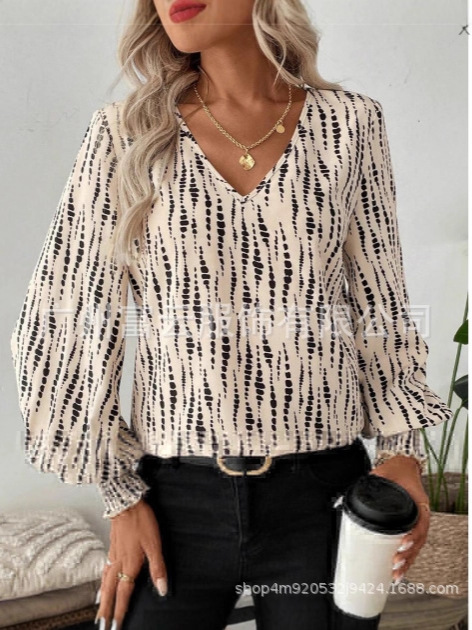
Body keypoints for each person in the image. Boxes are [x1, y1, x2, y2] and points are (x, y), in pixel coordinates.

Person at [10, 1, 453, 629]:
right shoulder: (125, 133)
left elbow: (380, 301)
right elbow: (68, 316)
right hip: (174, 502)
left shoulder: (350, 125)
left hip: (323, 499)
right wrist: (120, 497)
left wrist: (400, 453)